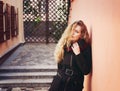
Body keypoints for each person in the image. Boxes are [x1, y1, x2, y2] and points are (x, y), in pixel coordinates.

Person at [49, 20, 92, 91]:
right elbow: (59, 66)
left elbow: (86, 70)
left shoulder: (84, 47)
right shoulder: (65, 45)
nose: (73, 33)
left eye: (76, 32)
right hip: (59, 82)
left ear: (81, 34)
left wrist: (78, 54)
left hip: (74, 85)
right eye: (72, 30)